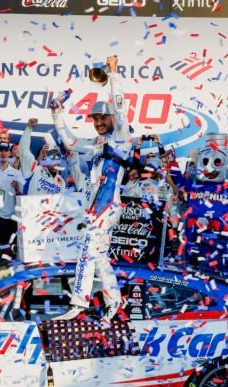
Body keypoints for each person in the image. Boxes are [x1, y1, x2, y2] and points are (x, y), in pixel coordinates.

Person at [52, 54, 133, 321]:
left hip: (107, 206)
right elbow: (71, 142)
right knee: (98, 256)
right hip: (100, 206)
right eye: (95, 118)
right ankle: (114, 302)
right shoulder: (97, 144)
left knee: (87, 251)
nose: (98, 122)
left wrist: (113, 73)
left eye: (103, 118)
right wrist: (57, 113)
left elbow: (120, 109)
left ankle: (78, 303)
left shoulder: (121, 136)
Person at [0, 142, 25, 259]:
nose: (3, 153)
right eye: (0, 150)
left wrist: (17, 189)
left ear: (9, 153)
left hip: (10, 213)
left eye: (5, 150)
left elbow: (22, 195)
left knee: (7, 250)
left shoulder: (17, 173)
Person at [19, 118, 68, 195]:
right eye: (52, 156)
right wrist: (29, 128)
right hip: (31, 206)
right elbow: (23, 150)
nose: (55, 161)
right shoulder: (35, 170)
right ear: (45, 158)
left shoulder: (61, 182)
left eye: (58, 157)